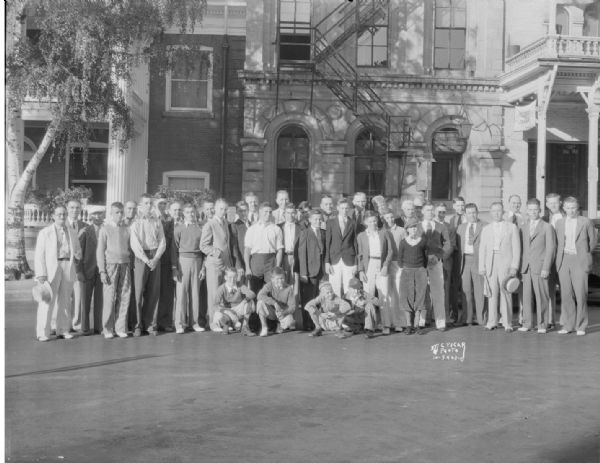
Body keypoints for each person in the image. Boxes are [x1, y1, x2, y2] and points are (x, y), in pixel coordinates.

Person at [34, 205, 82, 341]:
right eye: (59, 214)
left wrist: (78, 255)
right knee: (47, 300)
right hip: (51, 268)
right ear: (53, 216)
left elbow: (77, 249)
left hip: (68, 266)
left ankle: (63, 329)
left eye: (64, 214)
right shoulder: (45, 232)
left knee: (66, 300)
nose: (62, 217)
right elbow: (39, 255)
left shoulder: (72, 232)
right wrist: (41, 273)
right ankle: (43, 332)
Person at [555, 197, 597, 336]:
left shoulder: (585, 222)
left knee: (581, 294)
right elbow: (558, 242)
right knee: (566, 294)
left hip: (580, 260)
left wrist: (585, 254)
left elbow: (593, 241)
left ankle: (581, 326)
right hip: (564, 260)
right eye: (568, 207)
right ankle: (568, 325)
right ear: (564, 208)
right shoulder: (559, 223)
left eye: (573, 207)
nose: (571, 210)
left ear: (578, 208)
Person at [479, 202, 520, 332]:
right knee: (492, 293)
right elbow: (482, 249)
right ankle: (492, 321)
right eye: (494, 211)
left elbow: (516, 248)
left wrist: (514, 266)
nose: (496, 213)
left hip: (506, 263)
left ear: (503, 212)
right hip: (491, 263)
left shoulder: (512, 227)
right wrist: (482, 266)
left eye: (499, 211)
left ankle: (507, 322)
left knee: (506, 292)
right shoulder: (486, 229)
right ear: (490, 213)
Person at [130, 193, 166, 336]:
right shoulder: (136, 222)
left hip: (155, 255)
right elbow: (135, 243)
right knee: (138, 292)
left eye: (150, 203)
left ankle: (150, 324)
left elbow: (162, 240)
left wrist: (156, 258)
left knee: (153, 292)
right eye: (145, 203)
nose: (148, 206)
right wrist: (146, 260)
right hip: (141, 257)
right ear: (140, 205)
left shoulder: (156, 220)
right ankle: (137, 325)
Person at [518, 199, 556, 334]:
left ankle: (542, 325)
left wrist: (546, 267)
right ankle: (527, 323)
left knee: (542, 296)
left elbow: (551, 249)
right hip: (526, 268)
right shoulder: (523, 227)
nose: (533, 212)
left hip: (540, 267)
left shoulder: (547, 227)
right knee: (526, 297)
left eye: (535, 209)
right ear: (527, 211)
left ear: (540, 210)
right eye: (530, 209)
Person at [200, 198, 238, 330]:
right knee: (214, 295)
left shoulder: (225, 223)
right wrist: (215, 252)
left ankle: (224, 321)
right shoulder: (209, 224)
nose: (223, 211)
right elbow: (203, 246)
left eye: (225, 209)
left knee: (224, 295)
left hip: (226, 264)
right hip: (214, 264)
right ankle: (212, 323)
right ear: (215, 209)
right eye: (221, 209)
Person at [97, 202, 131, 339]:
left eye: (121, 212)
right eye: (116, 212)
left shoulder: (126, 229)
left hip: (125, 264)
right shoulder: (104, 229)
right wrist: (102, 270)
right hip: (110, 265)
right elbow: (100, 251)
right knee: (109, 297)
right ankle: (107, 328)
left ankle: (120, 327)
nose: (120, 215)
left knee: (124, 296)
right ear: (111, 214)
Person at [356, 211, 393, 335]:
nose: (373, 223)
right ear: (365, 222)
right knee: (369, 296)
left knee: (384, 295)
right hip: (369, 265)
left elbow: (390, 251)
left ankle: (386, 324)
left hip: (381, 265)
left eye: (375, 220)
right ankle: (369, 326)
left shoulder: (384, 233)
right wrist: (361, 270)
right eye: (370, 221)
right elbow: (360, 255)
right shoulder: (361, 236)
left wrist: (386, 265)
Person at [172, 203, 206, 334]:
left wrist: (203, 268)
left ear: (195, 213)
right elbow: (174, 249)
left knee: (195, 293)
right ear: (183, 214)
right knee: (181, 293)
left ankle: (195, 322)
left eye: (192, 212)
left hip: (197, 261)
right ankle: (179, 323)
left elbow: (204, 250)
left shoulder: (200, 228)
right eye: (187, 212)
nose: (190, 214)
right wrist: (174, 267)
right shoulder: (178, 229)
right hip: (182, 261)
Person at [418, 202, 452, 331]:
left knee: (438, 291)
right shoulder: (417, 226)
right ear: (422, 211)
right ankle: (420, 320)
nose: (430, 212)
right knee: (421, 291)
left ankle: (440, 321)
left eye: (432, 210)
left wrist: (439, 256)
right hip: (421, 262)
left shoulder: (440, 227)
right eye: (427, 210)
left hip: (436, 261)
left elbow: (448, 243)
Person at [455, 203, 485, 326]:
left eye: (474, 212)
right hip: (465, 261)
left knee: (479, 291)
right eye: (469, 213)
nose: (472, 215)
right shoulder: (461, 227)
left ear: (477, 213)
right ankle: (467, 318)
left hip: (478, 260)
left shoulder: (485, 226)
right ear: (465, 214)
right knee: (466, 290)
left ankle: (481, 318)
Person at [244, 202, 284, 293]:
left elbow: (279, 250)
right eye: (265, 211)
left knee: (270, 291)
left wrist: (277, 267)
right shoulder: (252, 229)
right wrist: (247, 267)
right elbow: (247, 250)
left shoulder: (276, 229)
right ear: (260, 212)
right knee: (255, 290)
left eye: (270, 212)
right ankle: (257, 307)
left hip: (270, 261)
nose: (268, 214)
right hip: (256, 261)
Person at [398, 218, 428, 335]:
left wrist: (422, 270)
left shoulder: (422, 241)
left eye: (415, 227)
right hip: (407, 271)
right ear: (407, 229)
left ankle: (417, 325)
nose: (413, 229)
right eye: (411, 227)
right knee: (406, 296)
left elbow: (425, 258)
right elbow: (400, 259)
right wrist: (406, 268)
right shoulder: (403, 242)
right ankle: (408, 325)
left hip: (420, 271)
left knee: (419, 296)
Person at [298, 209, 326, 330]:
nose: (318, 221)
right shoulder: (305, 233)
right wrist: (303, 273)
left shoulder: (324, 232)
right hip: (310, 270)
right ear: (309, 220)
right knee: (308, 298)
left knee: (318, 297)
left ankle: (317, 323)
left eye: (320, 219)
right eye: (315, 219)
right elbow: (302, 253)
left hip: (322, 270)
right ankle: (307, 323)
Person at [79, 206, 105, 335]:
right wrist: (79, 271)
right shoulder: (85, 231)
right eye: (95, 214)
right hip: (87, 270)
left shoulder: (107, 230)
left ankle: (99, 326)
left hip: (102, 271)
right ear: (90, 216)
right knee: (85, 300)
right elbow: (79, 253)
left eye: (100, 213)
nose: (98, 216)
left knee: (100, 300)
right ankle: (84, 327)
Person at [325, 197, 357, 298]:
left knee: (350, 288)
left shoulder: (353, 223)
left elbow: (355, 243)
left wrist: (356, 263)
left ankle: (350, 312)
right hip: (334, 259)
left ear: (349, 209)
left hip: (349, 259)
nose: (344, 210)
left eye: (346, 208)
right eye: (342, 208)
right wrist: (327, 262)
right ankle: (336, 312)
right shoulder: (331, 222)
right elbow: (327, 243)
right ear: (338, 208)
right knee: (334, 288)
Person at [157, 199, 180, 333]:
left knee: (169, 294)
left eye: (179, 210)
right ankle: (156, 320)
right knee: (158, 293)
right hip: (162, 260)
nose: (177, 212)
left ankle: (167, 321)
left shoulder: (183, 224)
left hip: (176, 262)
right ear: (169, 211)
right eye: (174, 210)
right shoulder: (165, 222)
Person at [212, 267, 256, 335]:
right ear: (225, 277)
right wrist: (227, 310)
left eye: (234, 277)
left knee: (250, 302)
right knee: (219, 315)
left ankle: (245, 326)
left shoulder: (240, 285)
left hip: (238, 309)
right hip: (227, 311)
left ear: (237, 277)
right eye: (230, 277)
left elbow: (252, 294)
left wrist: (244, 301)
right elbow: (215, 305)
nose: (232, 280)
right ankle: (227, 325)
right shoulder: (221, 288)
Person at [382, 208, 406, 331]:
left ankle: (399, 322)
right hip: (385, 264)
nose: (390, 220)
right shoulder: (382, 231)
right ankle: (388, 321)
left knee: (398, 292)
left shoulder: (401, 230)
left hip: (398, 263)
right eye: (387, 218)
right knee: (387, 293)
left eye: (391, 217)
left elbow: (406, 246)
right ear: (383, 219)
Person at [65, 199, 87, 333]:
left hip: (79, 267)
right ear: (67, 208)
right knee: (64, 296)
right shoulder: (61, 223)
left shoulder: (85, 225)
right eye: (72, 207)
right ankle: (62, 323)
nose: (75, 210)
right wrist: (77, 236)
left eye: (77, 208)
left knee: (78, 296)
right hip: (64, 266)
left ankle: (76, 323)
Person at [543, 192, 564, 328]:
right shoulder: (544, 219)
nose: (553, 205)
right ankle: (551, 320)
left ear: (560, 203)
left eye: (555, 202)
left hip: (564, 257)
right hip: (549, 258)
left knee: (567, 290)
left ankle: (566, 320)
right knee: (549, 290)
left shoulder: (567, 216)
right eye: (550, 203)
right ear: (546, 205)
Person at [256, 267, 296, 337]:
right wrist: (274, 303)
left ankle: (279, 325)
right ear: (272, 279)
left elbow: (292, 306)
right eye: (277, 279)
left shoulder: (289, 289)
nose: (280, 281)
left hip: (282, 313)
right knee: (260, 303)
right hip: (271, 310)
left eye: (282, 278)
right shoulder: (269, 285)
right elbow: (260, 295)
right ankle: (264, 327)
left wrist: (284, 313)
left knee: (290, 322)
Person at [279, 203, 301, 328]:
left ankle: (294, 319)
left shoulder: (301, 227)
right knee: (282, 287)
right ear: (284, 214)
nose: (291, 215)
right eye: (288, 213)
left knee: (294, 287)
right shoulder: (278, 227)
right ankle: (282, 319)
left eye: (293, 213)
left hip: (296, 257)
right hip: (284, 257)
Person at [435, 202, 456, 324]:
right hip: (432, 262)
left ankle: (445, 316)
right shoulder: (431, 226)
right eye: (439, 212)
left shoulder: (450, 227)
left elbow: (452, 245)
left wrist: (442, 257)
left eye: (443, 212)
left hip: (446, 261)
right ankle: (431, 316)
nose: (441, 214)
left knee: (445, 290)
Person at [123, 200, 138, 331]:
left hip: (135, 263)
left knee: (133, 294)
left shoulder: (138, 223)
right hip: (121, 262)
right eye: (129, 208)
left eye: (133, 209)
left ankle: (132, 323)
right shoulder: (119, 223)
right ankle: (121, 323)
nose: (131, 211)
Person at [231, 200, 250, 271]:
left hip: (253, 261)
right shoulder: (235, 226)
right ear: (237, 212)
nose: (243, 213)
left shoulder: (253, 225)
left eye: (245, 210)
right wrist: (238, 265)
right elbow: (234, 247)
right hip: (242, 261)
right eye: (240, 211)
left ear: (248, 210)